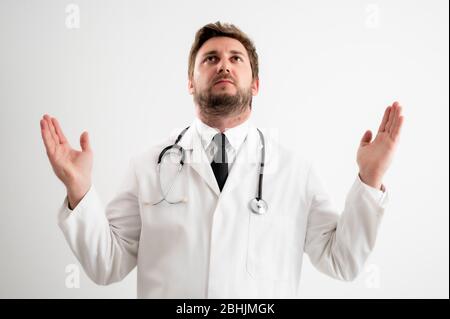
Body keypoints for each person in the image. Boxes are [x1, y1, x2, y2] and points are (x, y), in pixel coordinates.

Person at [40, 21, 404, 298]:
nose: (223, 66)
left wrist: (369, 179)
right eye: (210, 59)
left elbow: (341, 261)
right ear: (190, 81)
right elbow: (108, 264)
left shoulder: (295, 171)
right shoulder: (148, 166)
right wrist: (80, 190)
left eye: (235, 59)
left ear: (255, 84)